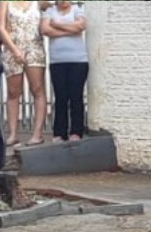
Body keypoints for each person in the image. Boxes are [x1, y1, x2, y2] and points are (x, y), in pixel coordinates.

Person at [0, 0, 46, 147]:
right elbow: (1, 28)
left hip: (34, 47)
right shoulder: (5, 2)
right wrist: (14, 49)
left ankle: (37, 134)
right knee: (13, 92)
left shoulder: (39, 2)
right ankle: (13, 134)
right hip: (13, 49)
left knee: (37, 89)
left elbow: (55, 10)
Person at [41, 0, 87, 143]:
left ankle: (76, 132)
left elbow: (81, 26)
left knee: (76, 97)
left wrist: (57, 25)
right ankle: (59, 132)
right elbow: (44, 30)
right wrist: (69, 30)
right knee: (60, 97)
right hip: (57, 62)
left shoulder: (77, 10)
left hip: (78, 61)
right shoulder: (50, 11)